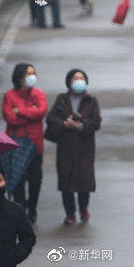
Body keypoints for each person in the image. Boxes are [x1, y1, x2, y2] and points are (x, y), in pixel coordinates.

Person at [46, 69, 101, 225]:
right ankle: (69, 213)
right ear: (69, 82)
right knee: (66, 181)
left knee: (84, 181)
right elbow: (51, 118)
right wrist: (64, 124)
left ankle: (83, 209)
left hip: (85, 148)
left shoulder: (91, 101)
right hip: (65, 147)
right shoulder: (62, 99)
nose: (79, 81)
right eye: (76, 78)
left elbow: (96, 123)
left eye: (82, 78)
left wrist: (79, 125)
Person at [2, 63, 48, 223]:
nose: (32, 76)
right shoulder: (9, 95)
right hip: (16, 145)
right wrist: (30, 113)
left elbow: (41, 112)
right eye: (28, 73)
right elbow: (10, 118)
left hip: (35, 146)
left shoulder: (39, 94)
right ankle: (21, 209)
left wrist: (20, 111)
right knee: (18, 178)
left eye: (33, 73)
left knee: (35, 179)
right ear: (20, 77)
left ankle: (32, 207)